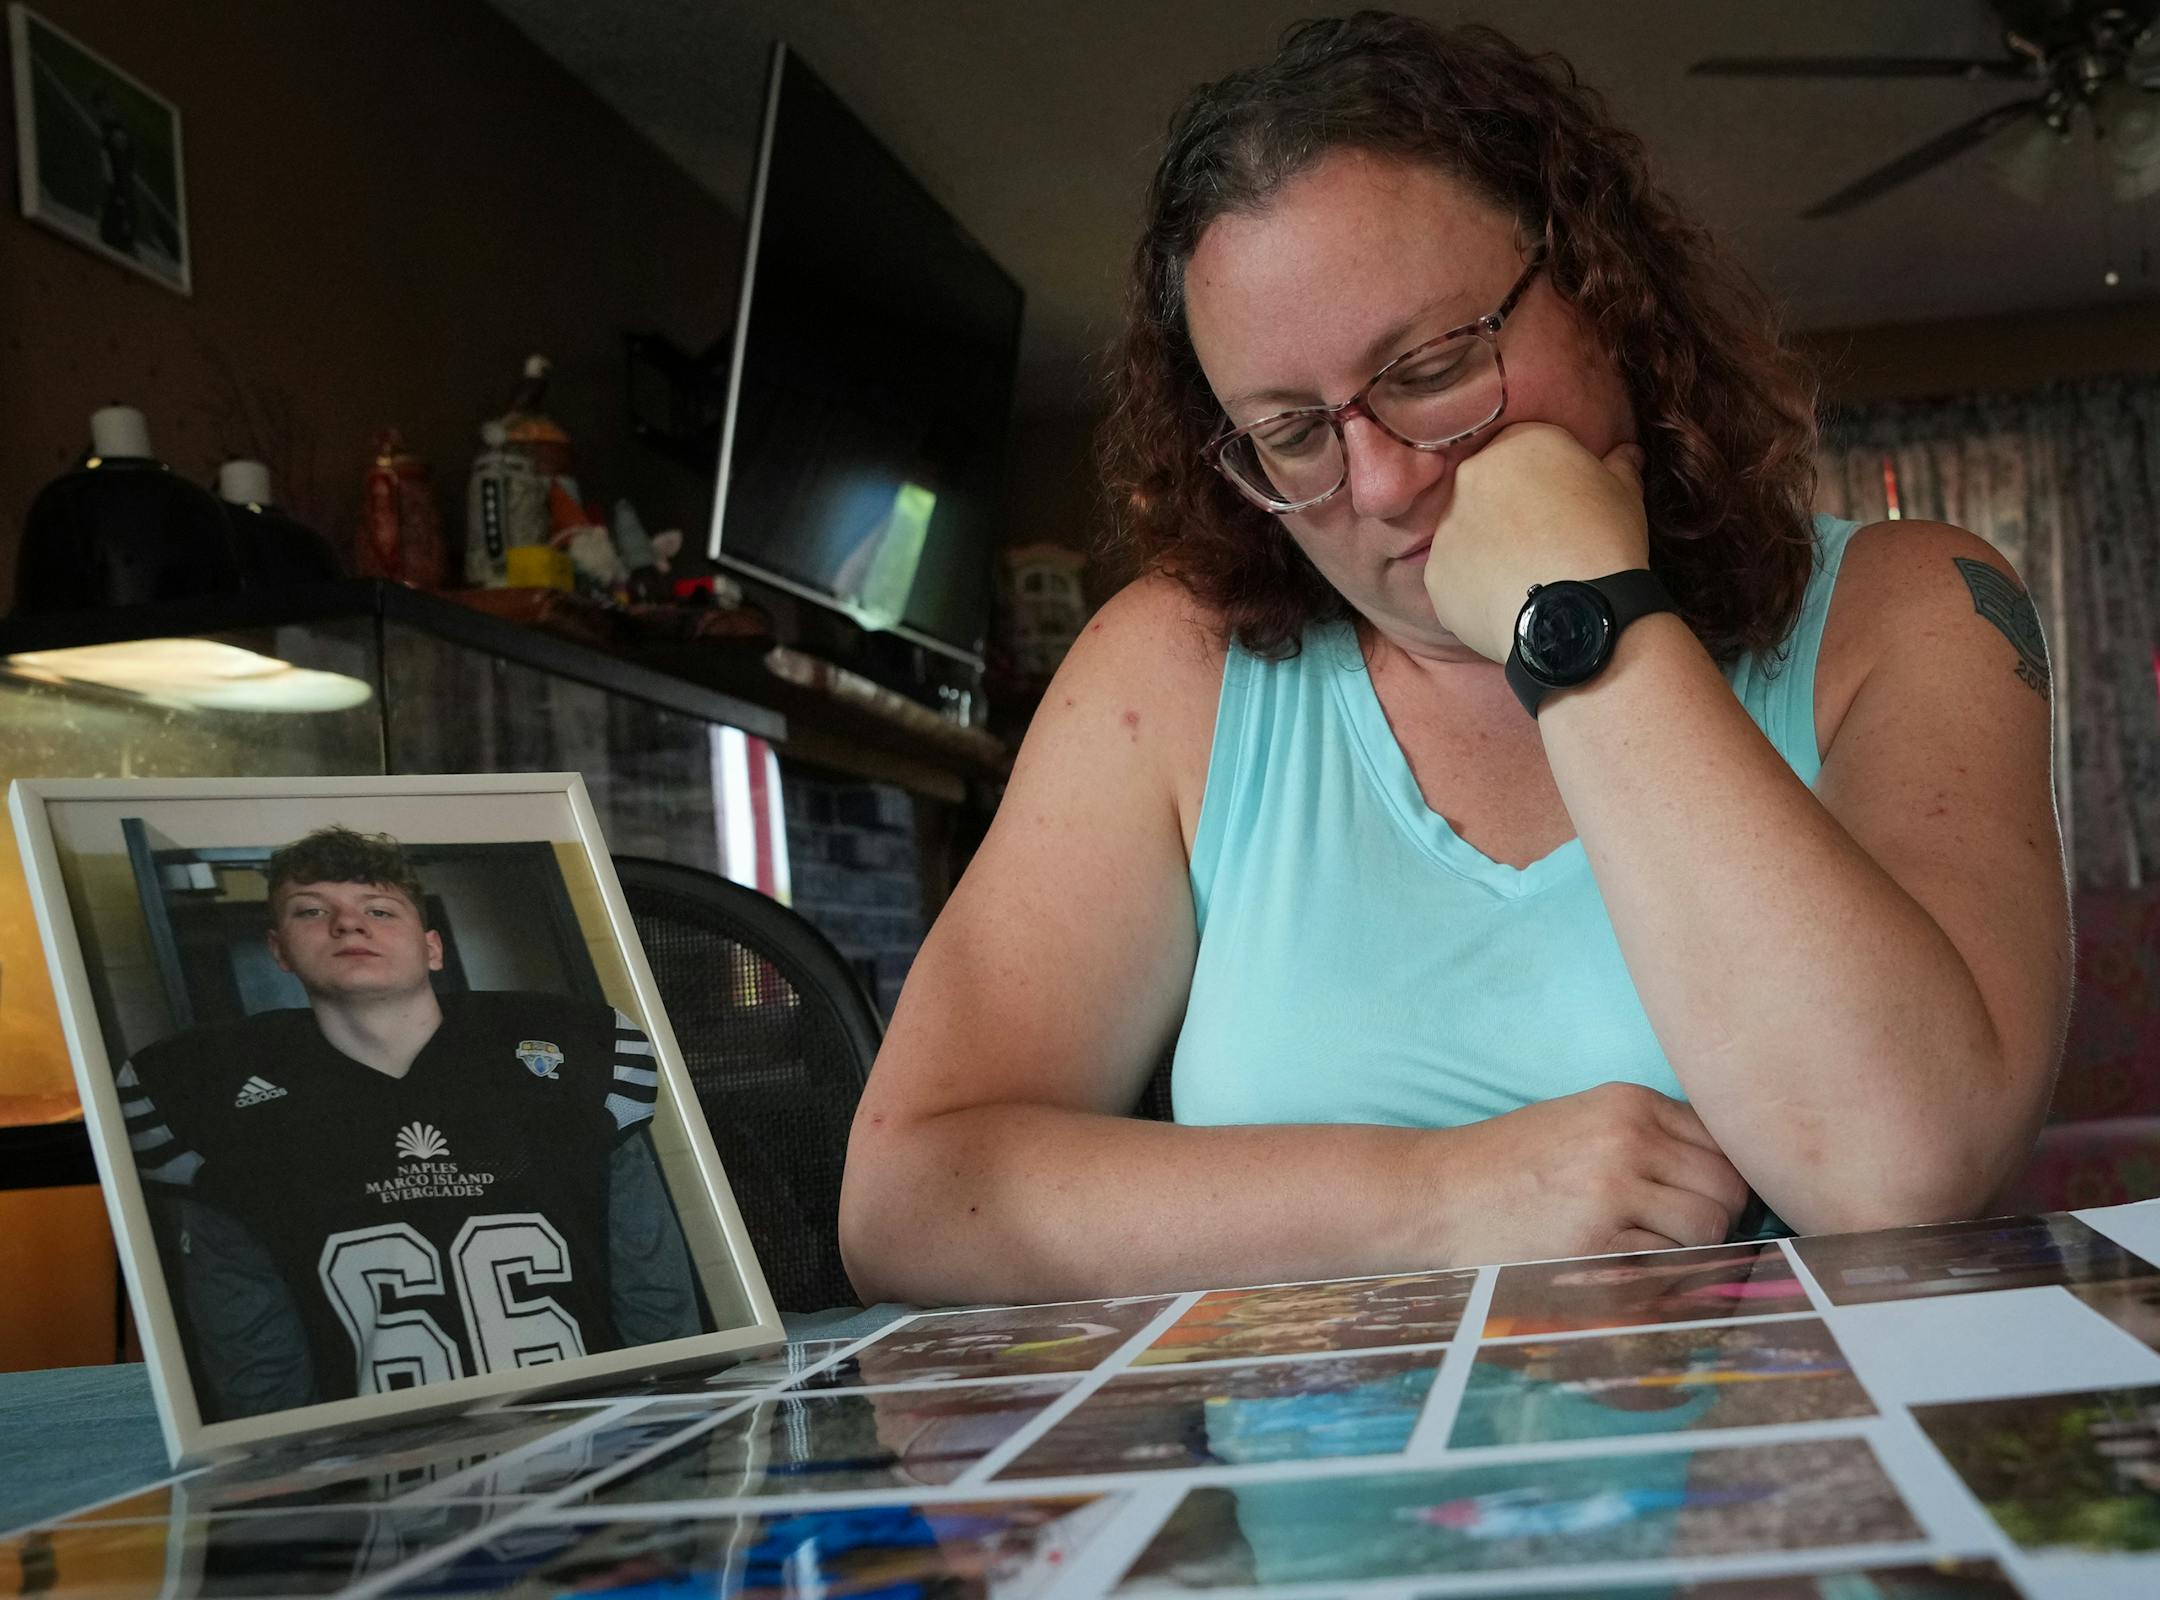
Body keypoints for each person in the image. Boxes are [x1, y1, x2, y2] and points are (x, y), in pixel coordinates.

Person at [838, 13, 2070, 1307]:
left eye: (1430, 368)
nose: (1379, 484)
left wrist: (1576, 612)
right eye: (1291, 434)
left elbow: (1903, 1170)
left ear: (1607, 295)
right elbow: (911, 1199)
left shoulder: (1912, 606)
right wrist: (1442, 1196)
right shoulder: (1170, 668)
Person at [119, 826, 705, 1421]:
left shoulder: (571, 1059)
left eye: (378, 909)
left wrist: (664, 1417)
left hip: (584, 1432)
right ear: (280, 950)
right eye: (312, 911)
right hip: (376, 1454)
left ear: (432, 948)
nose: (348, 925)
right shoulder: (217, 1102)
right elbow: (251, 1348)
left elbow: (650, 1280)